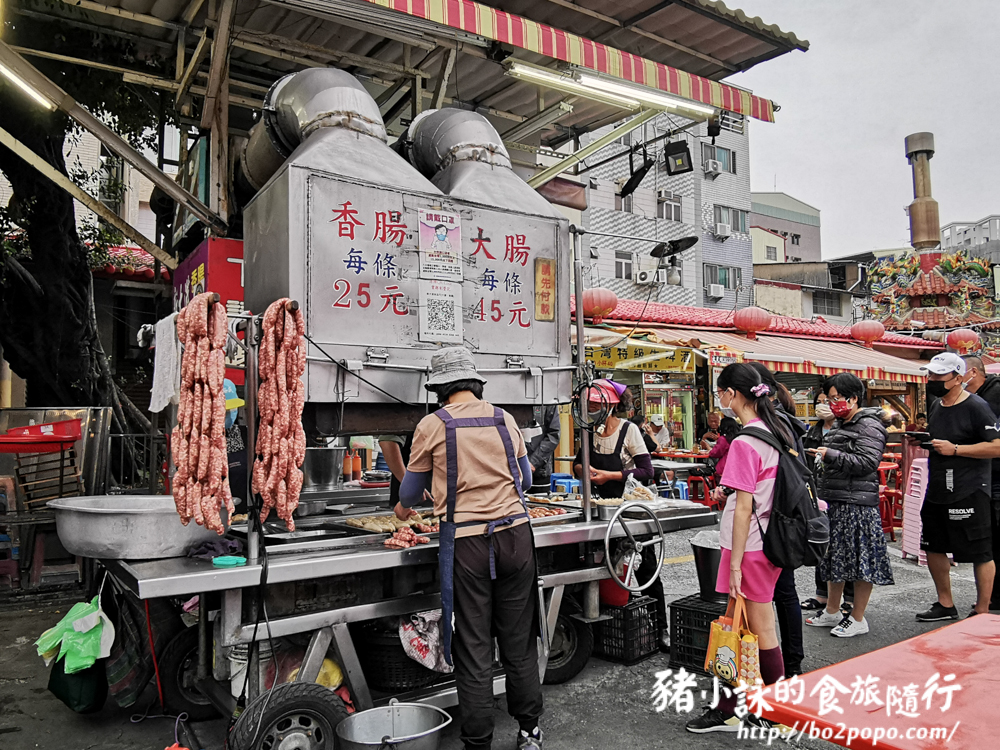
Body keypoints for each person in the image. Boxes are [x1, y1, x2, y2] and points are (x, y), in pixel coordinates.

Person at [395, 347, 543, 750]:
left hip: (468, 543)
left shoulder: (432, 424)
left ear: (439, 390)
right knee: (518, 641)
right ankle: (530, 731)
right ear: (476, 385)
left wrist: (403, 508)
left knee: (474, 645)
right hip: (516, 536)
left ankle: (478, 742)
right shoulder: (504, 418)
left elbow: (410, 492)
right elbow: (526, 480)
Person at [686, 363, 789, 734]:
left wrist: (734, 566)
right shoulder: (773, 431)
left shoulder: (746, 442)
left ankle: (775, 712)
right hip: (764, 543)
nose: (719, 399)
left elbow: (744, 507)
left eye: (719, 393)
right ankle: (730, 707)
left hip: (749, 548)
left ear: (732, 394)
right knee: (735, 625)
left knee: (760, 629)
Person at [572, 381, 666, 649]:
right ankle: (603, 628)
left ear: (610, 406)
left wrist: (610, 476)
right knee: (601, 566)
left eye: (594, 405)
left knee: (646, 568)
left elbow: (647, 471)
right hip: (600, 510)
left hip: (630, 511)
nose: (589, 409)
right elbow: (578, 463)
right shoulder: (590, 430)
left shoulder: (629, 430)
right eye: (588, 405)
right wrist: (584, 471)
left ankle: (660, 628)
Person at [805, 374, 894, 637]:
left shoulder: (869, 425)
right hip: (834, 501)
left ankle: (857, 618)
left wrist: (830, 455)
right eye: (829, 399)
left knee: (861, 562)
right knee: (835, 559)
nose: (832, 404)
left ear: (854, 398)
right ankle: (832, 610)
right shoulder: (840, 423)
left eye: (836, 398)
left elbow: (868, 463)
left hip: (858, 505)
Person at [917, 352, 1000, 621]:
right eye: (931, 374)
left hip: (970, 487)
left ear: (958, 377)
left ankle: (982, 609)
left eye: (939, 375)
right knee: (933, 545)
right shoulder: (936, 405)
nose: (933, 379)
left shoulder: (976, 406)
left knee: (980, 551)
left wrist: (956, 449)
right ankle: (945, 603)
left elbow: (997, 446)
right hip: (938, 486)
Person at [747, 363, 805, 677]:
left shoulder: (772, 423)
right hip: (785, 515)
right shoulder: (782, 420)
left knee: (777, 593)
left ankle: (786, 666)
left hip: (775, 518)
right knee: (783, 592)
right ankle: (790, 662)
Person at [801, 391, 855, 613]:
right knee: (820, 542)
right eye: (819, 402)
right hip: (818, 492)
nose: (823, 405)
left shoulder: (847, 429)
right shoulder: (813, 432)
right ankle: (822, 595)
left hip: (843, 493)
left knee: (846, 547)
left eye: (828, 401)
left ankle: (849, 599)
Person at [961, 355, 1000, 611]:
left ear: (973, 372)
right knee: (989, 542)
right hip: (981, 476)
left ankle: (993, 598)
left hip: (994, 476)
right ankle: (992, 596)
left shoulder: (992, 396)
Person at [526, 404, 561, 489]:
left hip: (540, 471)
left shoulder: (548, 402)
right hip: (510, 471)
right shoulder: (506, 399)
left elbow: (554, 435)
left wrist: (533, 462)